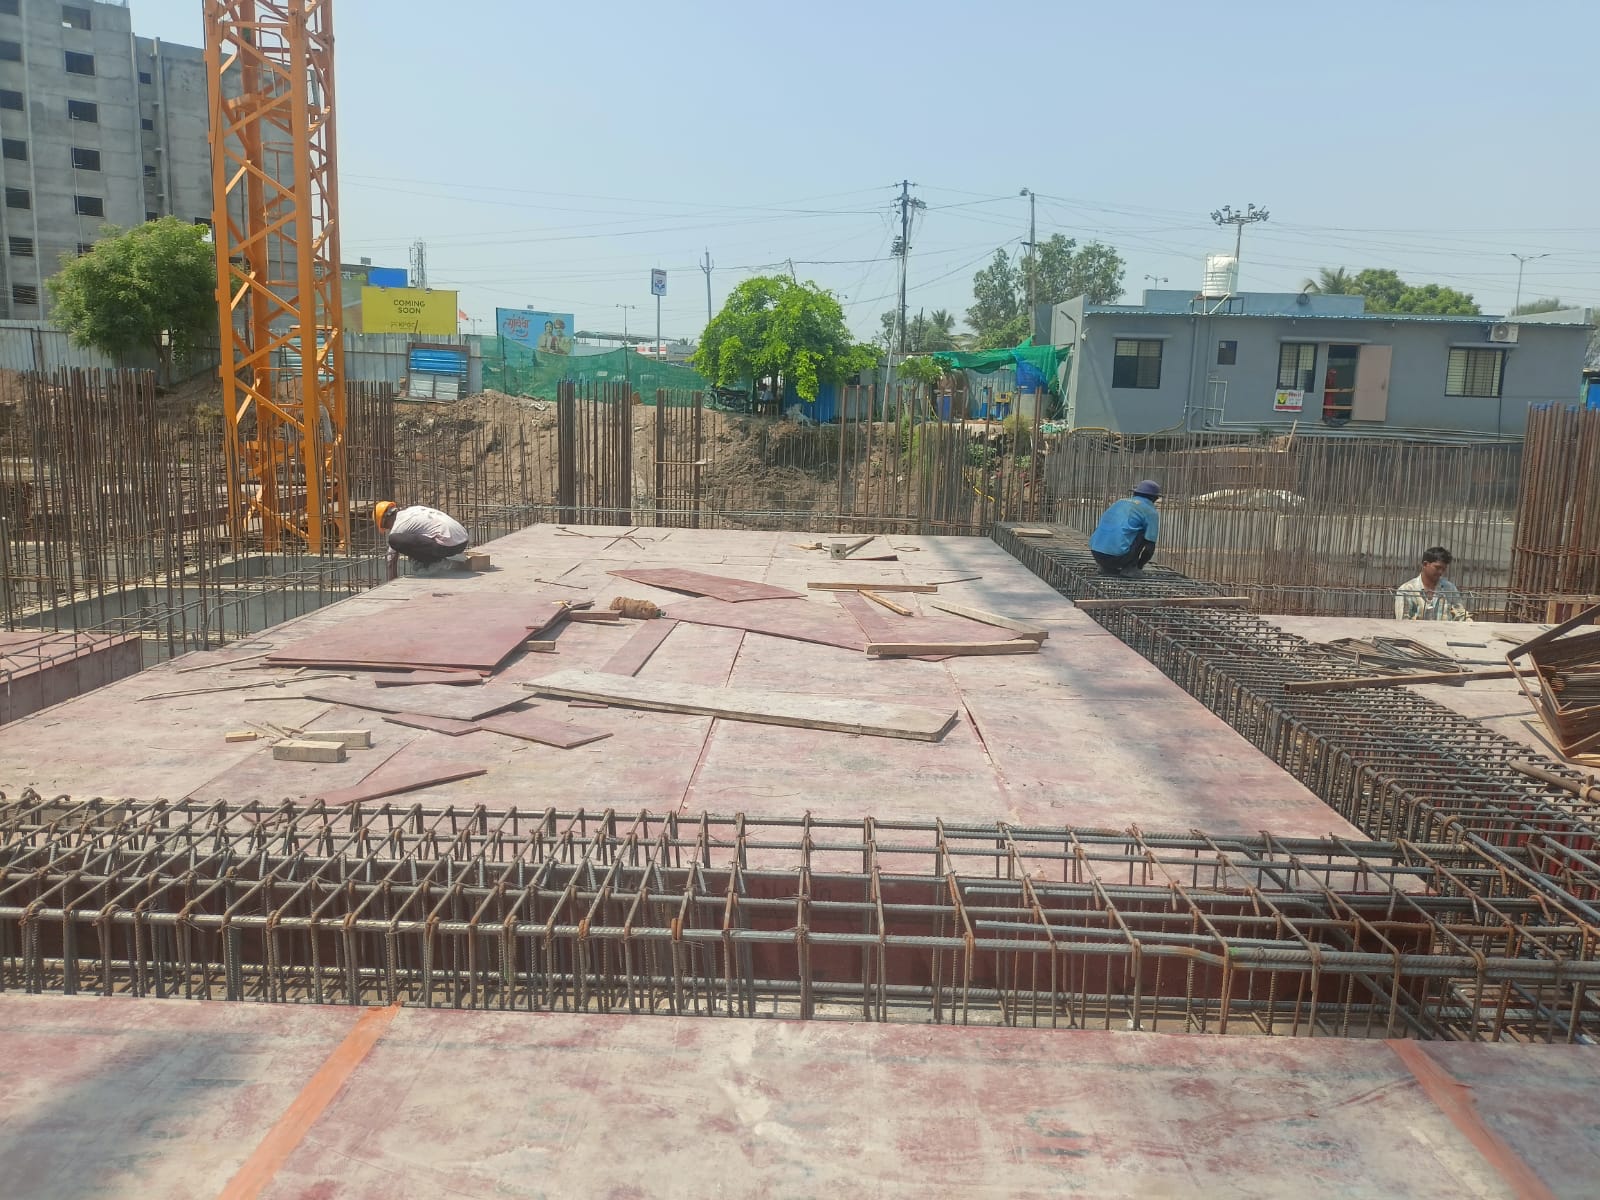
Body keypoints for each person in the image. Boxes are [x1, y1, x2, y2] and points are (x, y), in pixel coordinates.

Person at [376, 501, 469, 579]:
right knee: (412, 538)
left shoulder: (398, 525)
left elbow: (391, 559)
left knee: (394, 540)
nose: (389, 529)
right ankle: (438, 559)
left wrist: (392, 581)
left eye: (386, 526)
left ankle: (435, 563)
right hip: (463, 541)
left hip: (447, 546)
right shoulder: (413, 510)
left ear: (386, 519)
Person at [1089, 480, 1161, 576]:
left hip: (1096, 553)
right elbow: (1149, 548)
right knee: (1145, 534)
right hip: (1118, 558)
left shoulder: (1119, 502)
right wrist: (1139, 566)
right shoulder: (1150, 511)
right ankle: (1130, 568)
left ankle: (1105, 568)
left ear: (1135, 493)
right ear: (1154, 498)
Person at [1395, 546, 1470, 621]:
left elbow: (1460, 615)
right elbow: (1403, 621)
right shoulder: (1406, 590)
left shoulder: (1449, 588)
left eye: (1443, 569)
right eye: (1437, 568)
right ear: (1425, 564)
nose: (1440, 572)